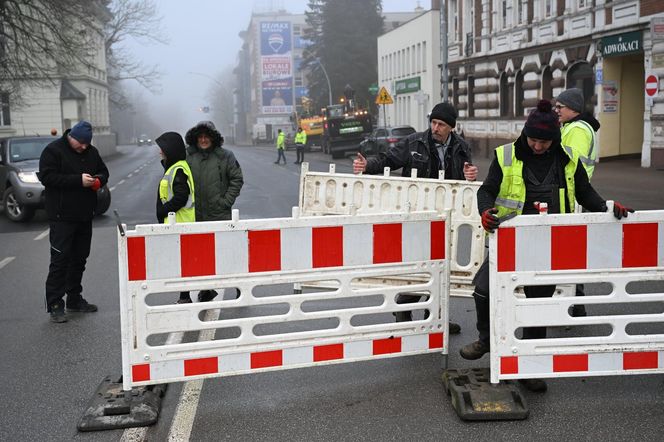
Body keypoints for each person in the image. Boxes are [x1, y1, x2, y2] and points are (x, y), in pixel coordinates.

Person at [458, 100, 633, 393]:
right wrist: (485, 212)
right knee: (483, 291)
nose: (538, 146)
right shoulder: (506, 155)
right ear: (526, 135)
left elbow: (585, 192)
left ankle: (528, 367)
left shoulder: (567, 158)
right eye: (534, 140)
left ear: (554, 138)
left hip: (547, 244)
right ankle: (486, 341)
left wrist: (606, 207)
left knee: (537, 305)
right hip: (509, 239)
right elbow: (487, 191)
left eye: (544, 141)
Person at [353, 102, 478, 334]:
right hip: (419, 215)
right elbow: (387, 160)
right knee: (420, 264)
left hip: (448, 216)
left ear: (451, 126)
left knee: (443, 268)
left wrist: (470, 174)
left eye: (441, 124)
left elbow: (464, 176)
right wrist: (367, 165)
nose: (435, 127)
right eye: (433, 122)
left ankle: (438, 317)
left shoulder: (461, 147)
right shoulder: (414, 142)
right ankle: (405, 307)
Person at [38, 120, 109, 323]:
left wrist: (98, 181)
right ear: (72, 137)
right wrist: (78, 180)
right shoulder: (53, 151)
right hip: (62, 217)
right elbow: (47, 177)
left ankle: (74, 299)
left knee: (79, 259)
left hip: (85, 215)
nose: (84, 147)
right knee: (60, 261)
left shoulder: (92, 152)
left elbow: (104, 172)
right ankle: (55, 304)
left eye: (87, 144)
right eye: (81, 143)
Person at [185, 121, 244, 302]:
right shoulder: (188, 156)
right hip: (196, 215)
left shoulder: (225, 156)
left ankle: (238, 285)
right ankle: (206, 289)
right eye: (200, 137)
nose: (203, 140)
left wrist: (225, 202)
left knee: (225, 253)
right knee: (200, 254)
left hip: (219, 213)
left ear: (213, 138)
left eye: (206, 136)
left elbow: (237, 179)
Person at [555, 88, 601, 317]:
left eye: (560, 107)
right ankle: (576, 303)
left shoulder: (577, 130)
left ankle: (577, 303)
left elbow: (570, 165)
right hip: (572, 196)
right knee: (570, 252)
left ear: (572, 108)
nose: (557, 110)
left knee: (569, 253)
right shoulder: (574, 127)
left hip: (571, 197)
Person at [155, 131, 196, 304]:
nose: (160, 152)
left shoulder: (178, 169)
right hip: (178, 221)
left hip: (179, 222)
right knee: (183, 262)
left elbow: (180, 197)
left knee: (183, 263)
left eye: (162, 149)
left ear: (170, 150)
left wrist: (163, 210)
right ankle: (186, 296)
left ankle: (185, 297)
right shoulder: (175, 166)